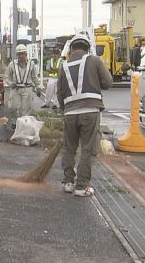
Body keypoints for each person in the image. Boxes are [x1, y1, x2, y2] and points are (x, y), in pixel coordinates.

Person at [57, 33, 112, 197]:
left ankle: (68, 182)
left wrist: (65, 110)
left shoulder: (64, 66)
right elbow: (107, 83)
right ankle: (81, 186)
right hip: (90, 112)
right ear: (88, 48)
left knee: (69, 148)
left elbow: (60, 93)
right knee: (88, 149)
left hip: (70, 113)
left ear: (72, 49)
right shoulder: (94, 60)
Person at [4, 44, 42, 125]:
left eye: (22, 54)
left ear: (26, 54)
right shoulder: (12, 64)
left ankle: (23, 125)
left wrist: (38, 87)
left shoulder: (31, 64)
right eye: (19, 54)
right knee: (12, 107)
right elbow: (7, 77)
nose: (21, 56)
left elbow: (34, 77)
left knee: (26, 109)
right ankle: (14, 122)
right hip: (15, 88)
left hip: (27, 89)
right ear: (17, 55)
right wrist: (11, 84)